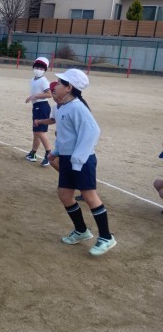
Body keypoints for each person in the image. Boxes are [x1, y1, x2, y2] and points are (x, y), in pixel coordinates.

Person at [47, 69, 117, 256]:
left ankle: (106, 237)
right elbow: (65, 136)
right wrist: (55, 152)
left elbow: (92, 132)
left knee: (89, 196)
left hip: (82, 159)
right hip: (68, 158)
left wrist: (77, 160)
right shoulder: (63, 107)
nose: (56, 86)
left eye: (59, 83)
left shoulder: (77, 107)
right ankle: (81, 230)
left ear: (69, 87)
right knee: (64, 194)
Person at [25, 56, 53, 167]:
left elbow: (49, 94)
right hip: (37, 107)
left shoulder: (43, 81)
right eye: (37, 67)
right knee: (36, 132)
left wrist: (35, 96)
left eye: (41, 68)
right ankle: (33, 153)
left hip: (42, 107)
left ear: (45, 70)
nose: (38, 70)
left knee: (40, 131)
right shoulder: (33, 80)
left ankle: (49, 154)